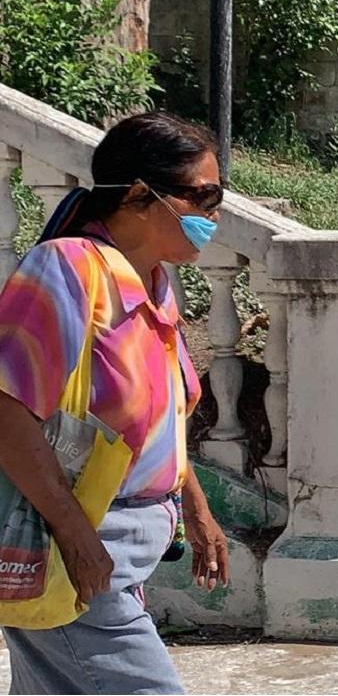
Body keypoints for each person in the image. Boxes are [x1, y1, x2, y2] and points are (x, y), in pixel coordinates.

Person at [0, 111, 231, 694]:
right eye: (204, 196)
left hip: (125, 552)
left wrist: (197, 511)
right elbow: (6, 412)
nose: (215, 215)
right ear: (138, 195)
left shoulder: (154, 283)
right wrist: (79, 540)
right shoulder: (69, 269)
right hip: (74, 549)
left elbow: (161, 422)